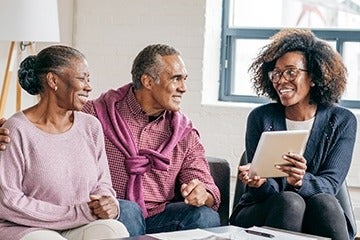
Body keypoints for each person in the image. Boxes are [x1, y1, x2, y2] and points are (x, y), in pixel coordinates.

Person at [0, 44, 221, 236]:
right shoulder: (96, 113)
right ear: (147, 81)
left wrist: (203, 193)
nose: (184, 87)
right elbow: (49, 119)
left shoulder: (184, 133)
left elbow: (207, 186)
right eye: (176, 79)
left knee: (205, 217)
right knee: (128, 210)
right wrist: (7, 127)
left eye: (184, 79)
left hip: (161, 216)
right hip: (115, 212)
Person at [229, 28, 357, 240]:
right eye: (276, 73)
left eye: (290, 72)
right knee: (290, 202)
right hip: (264, 209)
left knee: (323, 201)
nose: (280, 80)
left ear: (314, 77)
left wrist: (300, 181)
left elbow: (331, 184)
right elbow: (263, 191)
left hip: (320, 211)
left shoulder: (342, 121)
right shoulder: (261, 118)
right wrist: (259, 182)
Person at [0, 45, 129, 240]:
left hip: (79, 224)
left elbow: (103, 184)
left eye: (89, 79)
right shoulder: (17, 129)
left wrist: (109, 202)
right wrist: (76, 213)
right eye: (82, 78)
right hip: (26, 227)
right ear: (53, 80)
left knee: (115, 231)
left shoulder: (91, 126)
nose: (89, 86)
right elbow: (8, 200)